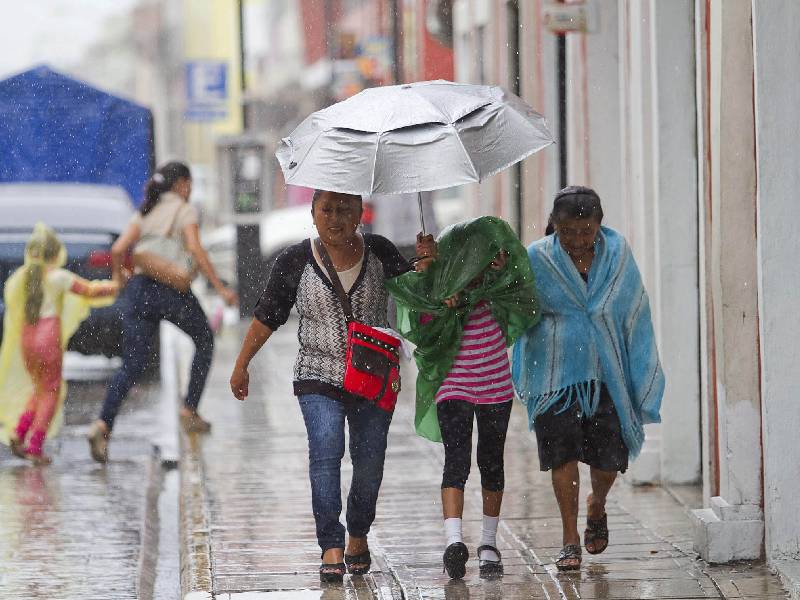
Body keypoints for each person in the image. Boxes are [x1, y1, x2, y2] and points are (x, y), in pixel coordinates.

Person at [229, 189, 435, 583]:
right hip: (317, 376)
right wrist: (242, 365)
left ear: (361, 213)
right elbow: (267, 315)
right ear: (312, 212)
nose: (335, 218)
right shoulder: (294, 260)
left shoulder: (379, 251)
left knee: (369, 460)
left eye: (345, 210)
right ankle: (331, 544)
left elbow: (415, 295)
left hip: (373, 378)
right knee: (326, 452)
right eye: (327, 209)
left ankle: (358, 532)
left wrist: (424, 265)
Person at [511, 186, 665, 571]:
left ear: (599, 224)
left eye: (586, 231)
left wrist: (637, 368)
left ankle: (597, 504)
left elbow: (635, 310)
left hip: (606, 372)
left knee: (607, 458)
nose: (577, 241)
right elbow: (519, 309)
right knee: (561, 456)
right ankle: (569, 539)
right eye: (568, 232)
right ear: (555, 226)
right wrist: (505, 279)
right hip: (554, 376)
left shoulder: (617, 255)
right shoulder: (537, 258)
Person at [386, 217, 540, 579]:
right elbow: (420, 324)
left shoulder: (498, 284)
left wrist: (502, 267)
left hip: (496, 387)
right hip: (454, 384)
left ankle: (488, 543)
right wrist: (425, 272)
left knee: (492, 462)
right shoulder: (438, 286)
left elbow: (523, 293)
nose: (472, 266)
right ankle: (454, 541)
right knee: (456, 460)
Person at [87, 161, 238, 463]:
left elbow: (119, 249)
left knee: (131, 364)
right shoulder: (184, 209)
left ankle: (103, 424)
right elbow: (195, 249)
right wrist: (220, 287)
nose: (190, 189)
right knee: (205, 340)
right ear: (182, 184)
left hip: (140, 289)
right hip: (170, 290)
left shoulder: (145, 211)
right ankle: (190, 409)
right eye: (189, 183)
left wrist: (119, 281)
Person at [0, 223, 118, 464]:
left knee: (38, 388)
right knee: (51, 392)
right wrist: (117, 285)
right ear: (55, 254)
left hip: (27, 337)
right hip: (48, 337)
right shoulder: (58, 277)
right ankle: (35, 446)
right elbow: (89, 291)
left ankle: (19, 432)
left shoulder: (22, 278)